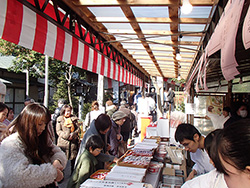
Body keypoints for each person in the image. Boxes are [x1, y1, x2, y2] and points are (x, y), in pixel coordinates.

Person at [0, 103, 67, 187]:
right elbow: (18, 175)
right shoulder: (11, 143)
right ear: (28, 122)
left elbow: (57, 152)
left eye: (45, 124)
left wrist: (57, 161)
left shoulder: (42, 139)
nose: (43, 128)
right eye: (40, 124)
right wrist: (53, 173)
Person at [56, 104, 80, 174]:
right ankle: (61, 174)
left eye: (69, 111)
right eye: (66, 111)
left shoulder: (74, 119)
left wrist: (74, 134)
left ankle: (73, 174)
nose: (68, 113)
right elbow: (58, 131)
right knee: (62, 159)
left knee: (73, 159)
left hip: (73, 142)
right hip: (63, 143)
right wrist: (66, 136)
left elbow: (78, 129)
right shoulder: (60, 119)